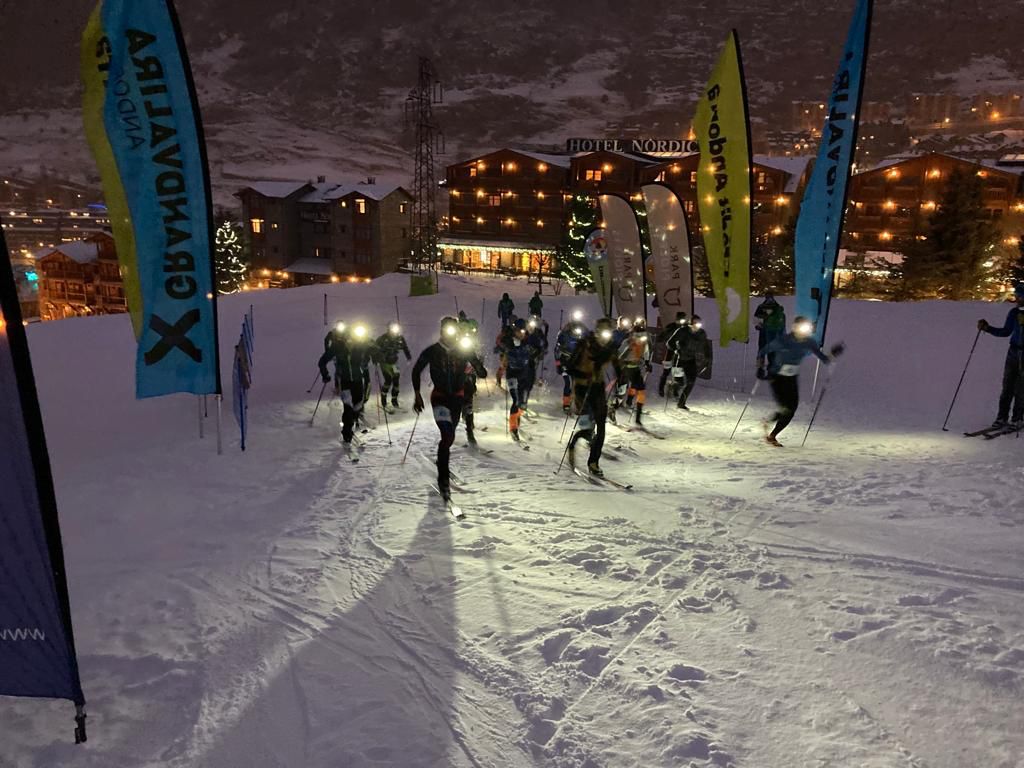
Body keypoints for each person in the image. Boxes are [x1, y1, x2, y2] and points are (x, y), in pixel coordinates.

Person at [412, 317, 487, 499]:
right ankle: (443, 479)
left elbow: (480, 369)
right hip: (439, 397)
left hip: (457, 399)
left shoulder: (463, 350)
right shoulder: (433, 351)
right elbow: (416, 370)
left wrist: (478, 367)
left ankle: (442, 458)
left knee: (450, 436)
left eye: (454, 330)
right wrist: (417, 394)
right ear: (442, 331)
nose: (451, 334)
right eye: (447, 330)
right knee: (446, 436)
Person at [760, 316, 843, 446]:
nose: (804, 332)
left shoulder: (809, 342)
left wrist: (833, 353)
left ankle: (771, 431)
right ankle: (770, 429)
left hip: (792, 378)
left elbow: (825, 359)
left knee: (791, 409)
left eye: (806, 329)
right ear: (794, 328)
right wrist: (760, 367)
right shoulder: (783, 340)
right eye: (801, 328)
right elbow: (763, 350)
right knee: (786, 408)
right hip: (776, 377)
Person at [566, 317, 623, 477]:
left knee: (601, 427)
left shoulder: (609, 348)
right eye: (602, 331)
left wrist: (621, 378)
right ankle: (574, 444)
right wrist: (585, 374)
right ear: (597, 331)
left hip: (597, 389)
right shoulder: (585, 345)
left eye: (608, 332)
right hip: (583, 388)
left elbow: (617, 365)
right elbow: (570, 367)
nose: (605, 336)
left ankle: (593, 462)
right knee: (588, 429)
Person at [318, 322, 377, 451]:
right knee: (348, 407)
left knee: (358, 404)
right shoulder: (337, 346)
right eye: (347, 338)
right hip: (344, 381)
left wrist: (376, 357)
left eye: (352, 338)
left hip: (358, 380)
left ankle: (354, 420)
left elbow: (373, 347)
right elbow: (322, 361)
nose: (349, 341)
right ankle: (347, 434)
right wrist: (325, 375)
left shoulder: (360, 345)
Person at [977, 284, 1024, 429]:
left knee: (1020, 388)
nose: (1017, 299)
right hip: (1013, 352)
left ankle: (1017, 419)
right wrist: (987, 328)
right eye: (1016, 295)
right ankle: (1001, 418)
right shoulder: (1014, 313)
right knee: (1007, 386)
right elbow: (1005, 332)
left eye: (1020, 296)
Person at [498, 319, 535, 440]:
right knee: (516, 400)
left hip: (524, 375)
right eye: (519, 331)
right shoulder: (508, 340)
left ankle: (516, 418)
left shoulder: (528, 341)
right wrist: (506, 348)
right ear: (515, 331)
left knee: (522, 403)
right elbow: (500, 344)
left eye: (523, 331)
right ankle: (513, 428)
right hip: (512, 374)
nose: (521, 333)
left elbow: (538, 347)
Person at [667, 315, 711, 410]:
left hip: (690, 360)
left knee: (691, 382)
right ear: (691, 324)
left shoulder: (701, 334)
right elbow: (669, 343)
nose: (697, 326)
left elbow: (706, 346)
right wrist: (677, 349)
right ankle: (672, 386)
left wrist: (707, 358)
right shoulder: (682, 331)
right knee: (680, 382)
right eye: (695, 323)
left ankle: (681, 403)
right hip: (679, 359)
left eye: (699, 324)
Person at [617, 318, 652, 426]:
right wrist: (621, 363)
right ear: (633, 335)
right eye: (638, 336)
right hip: (626, 368)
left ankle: (638, 417)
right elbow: (619, 355)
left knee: (641, 390)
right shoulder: (627, 342)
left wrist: (647, 363)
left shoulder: (643, 343)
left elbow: (646, 353)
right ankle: (616, 404)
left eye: (642, 336)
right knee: (622, 389)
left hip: (635, 368)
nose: (640, 339)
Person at [374, 322, 412, 410]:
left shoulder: (399, 338)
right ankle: (383, 399)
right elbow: (375, 348)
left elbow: (405, 347)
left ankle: (394, 400)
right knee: (388, 379)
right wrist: (375, 359)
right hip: (385, 362)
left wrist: (408, 356)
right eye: (392, 329)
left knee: (396, 381)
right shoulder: (382, 339)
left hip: (394, 362)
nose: (394, 331)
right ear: (388, 329)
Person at [458, 315, 483, 444]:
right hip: (456, 374)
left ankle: (469, 427)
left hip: (468, 370)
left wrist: (479, 365)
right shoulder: (454, 337)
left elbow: (476, 353)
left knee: (470, 393)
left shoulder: (470, 332)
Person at [554, 316, 588, 410]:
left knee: (578, 383)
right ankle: (566, 403)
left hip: (577, 362)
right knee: (568, 383)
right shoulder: (564, 334)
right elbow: (557, 349)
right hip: (565, 361)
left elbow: (589, 342)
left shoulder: (584, 332)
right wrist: (558, 364)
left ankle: (579, 402)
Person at [754, 292, 786, 379]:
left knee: (761, 349)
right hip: (773, 332)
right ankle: (771, 370)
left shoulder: (761, 307)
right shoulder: (778, 307)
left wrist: (758, 326)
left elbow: (756, 319)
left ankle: (760, 368)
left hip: (764, 331)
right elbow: (782, 321)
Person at [657, 311, 688, 396]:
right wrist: (660, 338)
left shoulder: (686, 328)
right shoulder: (671, 327)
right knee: (666, 371)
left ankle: (675, 391)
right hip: (670, 351)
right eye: (679, 319)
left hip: (679, 354)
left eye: (683, 319)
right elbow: (662, 335)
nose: (681, 321)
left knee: (677, 374)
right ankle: (661, 388)